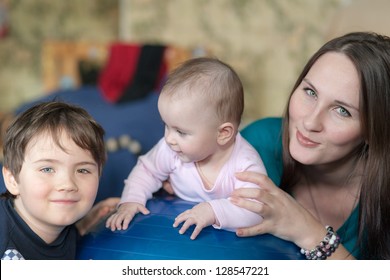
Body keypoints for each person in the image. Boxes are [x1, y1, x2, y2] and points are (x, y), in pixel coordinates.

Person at [229, 31, 390, 260]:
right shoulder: (258, 143)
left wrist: (308, 232)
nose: (310, 122)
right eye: (310, 92)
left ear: (374, 131)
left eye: (342, 111)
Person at [106, 57, 267, 240]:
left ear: (222, 133)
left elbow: (255, 209)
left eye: (181, 132)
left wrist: (212, 211)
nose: (168, 138)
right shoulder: (172, 150)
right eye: (166, 126)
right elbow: (147, 170)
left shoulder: (245, 164)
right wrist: (131, 200)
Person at [0, 101, 118, 260]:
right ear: (13, 180)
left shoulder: (50, 223)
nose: (68, 184)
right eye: (47, 169)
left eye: (83, 170)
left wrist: (82, 226)